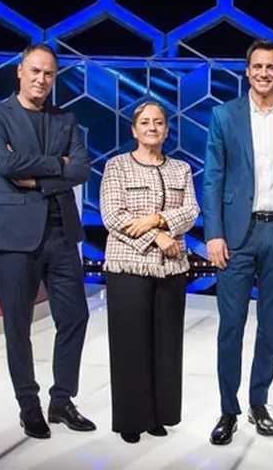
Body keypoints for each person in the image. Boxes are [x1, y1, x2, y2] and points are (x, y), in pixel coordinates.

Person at [202, 39, 273, 445]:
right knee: (230, 326)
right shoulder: (224, 115)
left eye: (272, 67)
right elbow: (213, 176)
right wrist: (213, 233)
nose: (265, 73)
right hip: (236, 235)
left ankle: (259, 402)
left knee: (271, 326)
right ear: (247, 71)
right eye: (258, 67)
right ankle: (228, 409)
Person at [0, 44, 95, 439]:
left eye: (48, 74)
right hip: (14, 237)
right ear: (19, 71)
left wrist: (39, 176)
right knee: (18, 326)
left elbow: (80, 169)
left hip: (62, 235)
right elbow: (5, 165)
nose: (41, 80)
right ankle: (28, 406)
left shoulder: (67, 119)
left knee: (76, 317)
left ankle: (61, 400)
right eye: (35, 71)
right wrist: (56, 167)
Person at [99, 101, 199, 443]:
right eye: (145, 122)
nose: (152, 127)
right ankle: (131, 418)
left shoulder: (181, 169)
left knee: (166, 345)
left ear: (167, 129)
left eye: (158, 122)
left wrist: (160, 220)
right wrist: (158, 237)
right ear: (134, 129)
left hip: (172, 269)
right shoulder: (117, 167)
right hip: (128, 266)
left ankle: (159, 414)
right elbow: (113, 215)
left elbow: (190, 210)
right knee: (130, 344)